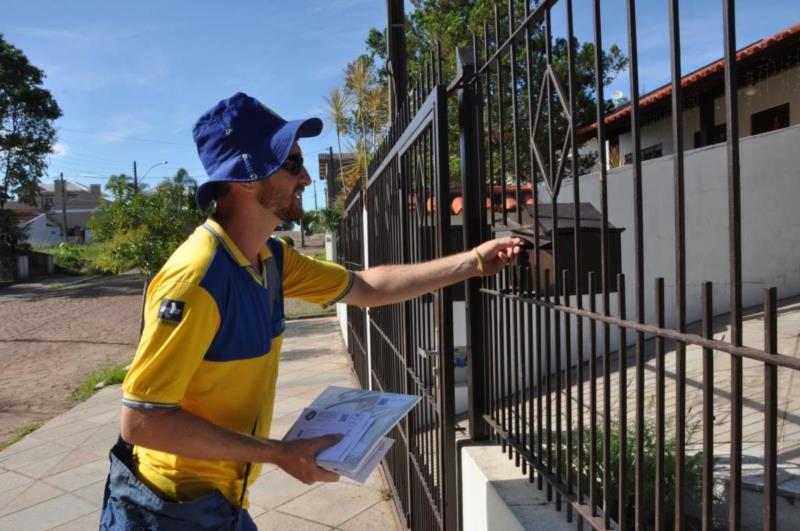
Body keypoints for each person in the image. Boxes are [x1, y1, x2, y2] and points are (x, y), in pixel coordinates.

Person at [99, 92, 520, 530]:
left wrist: (472, 262)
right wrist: (279, 454)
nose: (305, 180)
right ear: (246, 178)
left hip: (220, 502)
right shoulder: (197, 278)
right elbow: (143, 421)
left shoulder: (271, 258)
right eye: (293, 164)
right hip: (168, 512)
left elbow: (368, 287)